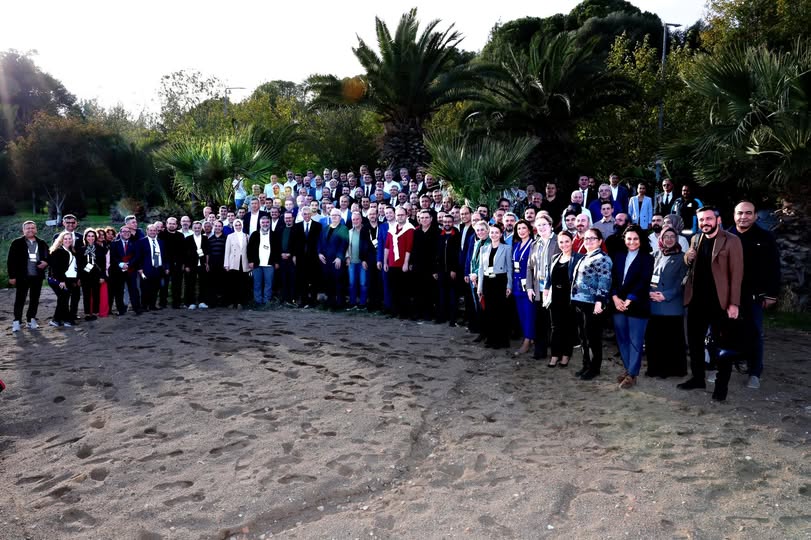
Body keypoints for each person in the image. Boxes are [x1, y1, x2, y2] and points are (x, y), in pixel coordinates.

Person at [680, 206, 744, 402]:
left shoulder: (732, 240)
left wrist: (734, 303)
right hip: (696, 301)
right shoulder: (696, 239)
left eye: (708, 219)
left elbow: (737, 274)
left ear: (718, 220)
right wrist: (686, 258)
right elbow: (690, 263)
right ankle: (698, 378)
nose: (704, 223)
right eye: (701, 220)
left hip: (720, 303)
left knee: (723, 346)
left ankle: (721, 387)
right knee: (695, 343)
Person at [728, 200, 781, 389]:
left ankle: (755, 372)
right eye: (740, 213)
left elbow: (774, 268)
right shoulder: (726, 235)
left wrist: (771, 294)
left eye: (748, 213)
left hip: (754, 295)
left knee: (755, 333)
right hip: (728, 296)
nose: (743, 217)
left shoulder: (766, 237)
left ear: (755, 216)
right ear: (734, 215)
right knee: (727, 332)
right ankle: (731, 363)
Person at [610, 225, 655, 389]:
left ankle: (632, 373)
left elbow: (643, 281)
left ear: (641, 240)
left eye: (635, 238)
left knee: (635, 341)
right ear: (624, 239)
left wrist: (629, 300)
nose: (632, 242)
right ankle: (629, 369)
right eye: (629, 238)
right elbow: (612, 279)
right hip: (617, 304)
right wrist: (615, 297)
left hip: (637, 304)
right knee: (622, 338)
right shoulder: (618, 256)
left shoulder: (647, 258)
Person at [646, 226, 689, 378]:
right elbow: (645, 277)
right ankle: (655, 369)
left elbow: (683, 281)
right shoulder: (653, 255)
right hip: (653, 304)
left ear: (676, 239)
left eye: (672, 236)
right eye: (666, 237)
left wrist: (666, 295)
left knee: (672, 341)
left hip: (671, 305)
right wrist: (649, 293)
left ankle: (672, 371)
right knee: (655, 340)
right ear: (661, 239)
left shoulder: (682, 257)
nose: (669, 239)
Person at [572, 228, 613, 380]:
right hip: (580, 302)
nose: (588, 241)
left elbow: (604, 281)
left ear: (600, 241)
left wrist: (600, 302)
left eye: (592, 238)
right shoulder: (585, 257)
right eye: (586, 238)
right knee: (583, 337)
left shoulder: (602, 258)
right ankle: (586, 364)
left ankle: (594, 368)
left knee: (593, 338)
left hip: (593, 304)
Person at [541, 231, 581, 367]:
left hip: (569, 298)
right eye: (561, 242)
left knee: (568, 327)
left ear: (572, 242)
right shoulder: (555, 258)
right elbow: (548, 277)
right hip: (555, 297)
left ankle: (566, 355)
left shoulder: (578, 258)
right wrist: (546, 290)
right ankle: (554, 355)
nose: (564, 245)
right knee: (555, 327)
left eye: (567, 241)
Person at [526, 214, 560, 360]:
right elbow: (529, 267)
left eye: (544, 224)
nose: (541, 228)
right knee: (540, 321)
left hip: (554, 288)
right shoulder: (535, 244)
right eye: (538, 225)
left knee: (554, 322)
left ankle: (556, 353)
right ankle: (540, 351)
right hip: (538, 289)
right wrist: (529, 287)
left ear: (550, 225)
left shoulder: (559, 240)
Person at [7, 220, 49, 331]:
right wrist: (12, 276)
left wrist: (46, 262)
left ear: (36, 229)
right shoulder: (17, 243)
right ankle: (17, 321)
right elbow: (11, 261)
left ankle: (31, 320)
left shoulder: (42, 242)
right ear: (23, 230)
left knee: (35, 299)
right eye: (28, 228)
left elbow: (47, 256)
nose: (30, 230)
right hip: (22, 276)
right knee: (20, 299)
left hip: (37, 276)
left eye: (32, 228)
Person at [477, 223, 513, 349]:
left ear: (501, 234)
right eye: (492, 232)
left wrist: (509, 285)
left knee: (500, 311)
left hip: (500, 281)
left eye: (497, 232)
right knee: (489, 311)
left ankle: (501, 340)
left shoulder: (507, 248)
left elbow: (509, 268)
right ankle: (490, 338)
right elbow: (480, 269)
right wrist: (479, 287)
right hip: (487, 281)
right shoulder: (483, 249)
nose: (494, 235)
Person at [384, 206, 415, 318]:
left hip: (402, 264)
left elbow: (409, 247)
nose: (400, 217)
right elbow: (387, 247)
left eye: (402, 215)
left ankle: (404, 312)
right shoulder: (392, 229)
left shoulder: (410, 229)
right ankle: (394, 311)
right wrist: (385, 262)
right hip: (392, 263)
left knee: (404, 289)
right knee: (393, 288)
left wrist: (406, 263)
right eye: (398, 215)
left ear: (406, 215)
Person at [511, 219, 536, 355]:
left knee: (529, 313)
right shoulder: (516, 245)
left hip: (529, 285)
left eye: (523, 228)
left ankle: (527, 340)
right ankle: (529, 337)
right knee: (521, 313)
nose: (521, 231)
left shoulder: (533, 245)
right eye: (519, 229)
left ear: (529, 230)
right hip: (517, 285)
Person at [47, 231, 81, 327]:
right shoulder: (57, 251)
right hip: (59, 280)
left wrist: (77, 278)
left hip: (71, 279)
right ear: (61, 240)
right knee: (63, 298)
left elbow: (74, 267)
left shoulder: (72, 251)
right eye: (65, 239)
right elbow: (55, 268)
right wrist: (61, 281)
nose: (68, 240)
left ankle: (61, 319)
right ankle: (61, 320)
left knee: (66, 298)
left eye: (69, 239)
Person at [318, 209, 350, 310]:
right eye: (332, 215)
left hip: (337, 260)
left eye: (336, 215)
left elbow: (344, 244)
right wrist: (319, 253)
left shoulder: (343, 228)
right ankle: (330, 303)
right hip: (325, 260)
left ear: (340, 218)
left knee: (339, 282)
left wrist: (339, 257)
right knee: (329, 282)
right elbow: (319, 242)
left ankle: (340, 304)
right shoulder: (325, 228)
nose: (334, 217)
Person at [291, 207, 323, 308]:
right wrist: (294, 255)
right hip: (301, 257)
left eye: (308, 214)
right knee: (302, 279)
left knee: (314, 279)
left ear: (311, 214)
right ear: (302, 215)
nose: (307, 216)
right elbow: (294, 242)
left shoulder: (318, 226)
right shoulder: (296, 226)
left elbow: (320, 241)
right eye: (305, 214)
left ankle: (313, 301)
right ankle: (303, 300)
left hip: (313, 257)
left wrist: (319, 253)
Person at [133, 224, 168, 311]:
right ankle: (144, 306)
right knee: (145, 288)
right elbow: (138, 257)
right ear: (147, 231)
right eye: (150, 230)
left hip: (158, 268)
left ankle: (153, 305)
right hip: (145, 269)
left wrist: (166, 267)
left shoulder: (161, 242)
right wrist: (140, 268)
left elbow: (165, 256)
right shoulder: (141, 242)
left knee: (156, 288)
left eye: (154, 230)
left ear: (157, 231)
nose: (152, 232)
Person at [434, 213, 461, 325]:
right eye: (445, 222)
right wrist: (435, 270)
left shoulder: (457, 235)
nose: (447, 224)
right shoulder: (439, 235)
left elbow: (458, 254)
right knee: (441, 295)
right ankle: (442, 317)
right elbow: (435, 254)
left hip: (452, 271)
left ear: (453, 222)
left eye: (449, 222)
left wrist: (454, 269)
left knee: (453, 296)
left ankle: (452, 319)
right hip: (441, 270)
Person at [411, 210, 439, 320]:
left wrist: (435, 269)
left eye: (426, 217)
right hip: (418, 266)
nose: (424, 220)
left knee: (429, 291)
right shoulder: (416, 232)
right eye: (422, 218)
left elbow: (438, 252)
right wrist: (411, 263)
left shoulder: (437, 232)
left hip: (430, 267)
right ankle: (418, 312)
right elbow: (413, 249)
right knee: (418, 290)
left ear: (431, 219)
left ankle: (428, 313)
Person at [109, 226, 141, 315]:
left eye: (128, 232)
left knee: (134, 290)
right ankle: (121, 310)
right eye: (124, 231)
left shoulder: (135, 243)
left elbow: (137, 256)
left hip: (131, 270)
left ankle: (137, 308)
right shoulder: (114, 244)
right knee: (119, 291)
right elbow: (113, 256)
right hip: (118, 271)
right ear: (120, 233)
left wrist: (129, 264)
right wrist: (121, 264)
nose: (127, 233)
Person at [467, 220, 490, 341]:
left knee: (485, 307)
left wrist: (476, 275)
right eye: (477, 230)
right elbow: (473, 261)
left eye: (482, 229)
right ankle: (482, 332)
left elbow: (485, 263)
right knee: (478, 308)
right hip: (474, 279)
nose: (480, 232)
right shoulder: (477, 243)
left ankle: (488, 333)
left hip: (484, 279)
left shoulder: (490, 243)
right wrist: (471, 274)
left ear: (487, 230)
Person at [345, 211, 374, 310]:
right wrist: (347, 257)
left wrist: (365, 260)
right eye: (353, 219)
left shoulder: (366, 231)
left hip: (362, 262)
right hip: (352, 262)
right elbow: (346, 247)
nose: (355, 221)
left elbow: (368, 247)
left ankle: (362, 304)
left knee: (363, 284)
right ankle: (352, 303)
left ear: (361, 220)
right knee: (352, 284)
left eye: (357, 219)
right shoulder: (349, 232)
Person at [77, 229, 107, 320]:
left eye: (93, 236)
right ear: (85, 237)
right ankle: (86, 313)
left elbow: (103, 264)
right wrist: (79, 277)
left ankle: (95, 312)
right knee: (86, 295)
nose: (91, 238)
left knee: (96, 294)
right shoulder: (81, 249)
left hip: (96, 275)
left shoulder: (100, 249)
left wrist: (102, 276)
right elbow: (79, 264)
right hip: (85, 275)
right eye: (88, 236)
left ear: (95, 237)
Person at [247, 216, 275, 307]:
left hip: (269, 263)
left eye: (267, 222)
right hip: (257, 263)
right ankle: (258, 301)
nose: (265, 224)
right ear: (260, 224)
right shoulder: (255, 234)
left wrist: (276, 262)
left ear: (269, 223)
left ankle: (267, 301)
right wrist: (250, 261)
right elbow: (249, 249)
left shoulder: (274, 234)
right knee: (257, 283)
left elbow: (277, 249)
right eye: (263, 222)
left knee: (269, 283)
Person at [159, 216, 186, 309]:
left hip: (178, 264)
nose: (171, 225)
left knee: (177, 284)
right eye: (169, 223)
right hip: (165, 264)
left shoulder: (180, 235)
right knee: (164, 285)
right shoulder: (161, 235)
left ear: (177, 225)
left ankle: (176, 303)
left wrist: (182, 264)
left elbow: (183, 251)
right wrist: (164, 265)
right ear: (166, 224)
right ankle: (162, 303)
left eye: (173, 224)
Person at [223, 218, 251, 308]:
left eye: (239, 225)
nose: (238, 227)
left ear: (242, 226)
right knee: (233, 283)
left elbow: (249, 251)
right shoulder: (230, 236)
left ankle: (241, 302)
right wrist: (226, 264)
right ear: (234, 226)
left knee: (243, 284)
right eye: (236, 225)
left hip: (244, 262)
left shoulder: (247, 236)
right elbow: (227, 251)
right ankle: (232, 302)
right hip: (233, 262)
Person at [183, 221, 211, 310]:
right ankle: (190, 302)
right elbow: (185, 254)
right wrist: (186, 265)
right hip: (191, 264)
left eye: (199, 228)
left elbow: (207, 252)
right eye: (195, 228)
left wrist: (207, 263)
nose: (197, 229)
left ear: (201, 228)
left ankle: (202, 302)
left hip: (202, 264)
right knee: (190, 283)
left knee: (204, 283)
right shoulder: (188, 239)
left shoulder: (205, 238)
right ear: (192, 228)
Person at [276, 211, 297, 306]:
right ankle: (284, 299)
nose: (287, 219)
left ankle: (292, 299)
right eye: (286, 218)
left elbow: (299, 244)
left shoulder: (297, 229)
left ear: (293, 218)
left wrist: (290, 254)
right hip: (281, 258)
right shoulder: (280, 229)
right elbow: (275, 244)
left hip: (292, 259)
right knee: (283, 279)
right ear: (283, 219)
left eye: (289, 218)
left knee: (292, 279)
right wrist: (280, 254)